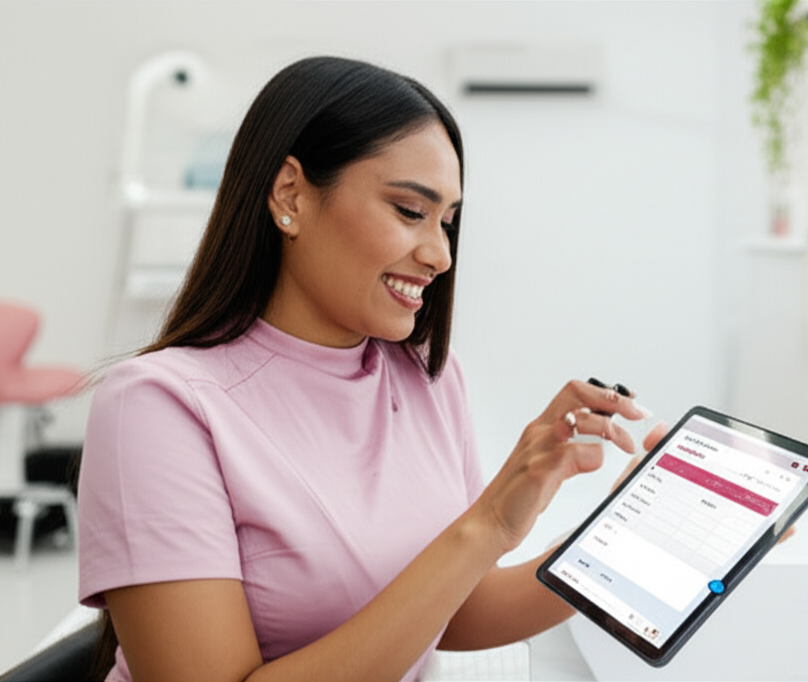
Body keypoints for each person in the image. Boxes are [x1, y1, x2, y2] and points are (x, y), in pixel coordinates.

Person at [77, 56, 663, 682]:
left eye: (448, 221)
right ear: (290, 194)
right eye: (411, 211)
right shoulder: (160, 406)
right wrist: (485, 525)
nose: (439, 254)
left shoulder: (429, 378)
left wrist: (642, 540)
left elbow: (454, 612)